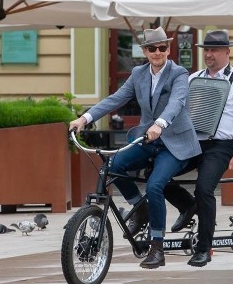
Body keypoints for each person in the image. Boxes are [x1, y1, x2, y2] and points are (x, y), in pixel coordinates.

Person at [69, 27, 201, 270]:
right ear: (145, 51)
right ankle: (140, 209)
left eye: (162, 47)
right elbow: (115, 98)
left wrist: (160, 124)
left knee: (155, 185)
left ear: (168, 49)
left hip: (175, 143)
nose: (158, 52)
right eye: (152, 48)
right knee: (114, 167)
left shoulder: (179, 73)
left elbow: (177, 102)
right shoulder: (138, 73)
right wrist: (85, 119)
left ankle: (157, 247)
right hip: (147, 140)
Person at [163, 29, 233, 267]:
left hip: (222, 145)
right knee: (158, 176)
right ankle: (187, 206)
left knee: (204, 189)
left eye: (214, 50)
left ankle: (204, 249)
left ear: (227, 52)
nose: (209, 55)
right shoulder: (193, 78)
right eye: (207, 50)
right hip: (194, 141)